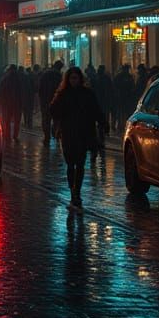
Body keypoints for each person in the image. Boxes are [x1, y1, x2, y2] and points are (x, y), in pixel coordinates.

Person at [48, 66, 105, 208]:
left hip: (83, 133)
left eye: (76, 78)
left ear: (80, 79)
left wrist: (103, 123)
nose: (74, 81)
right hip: (68, 134)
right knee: (70, 164)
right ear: (68, 79)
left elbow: (96, 109)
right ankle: (72, 189)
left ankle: (76, 192)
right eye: (72, 78)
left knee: (80, 163)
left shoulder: (88, 94)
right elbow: (53, 110)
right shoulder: (62, 94)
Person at [38, 60, 64, 141]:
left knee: (46, 119)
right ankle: (55, 133)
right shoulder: (59, 75)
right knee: (56, 119)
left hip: (45, 101)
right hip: (56, 101)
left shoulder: (45, 74)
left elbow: (40, 87)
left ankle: (47, 136)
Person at [0, 64, 22, 142]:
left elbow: (1, 91)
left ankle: (7, 135)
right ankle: (15, 136)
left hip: (7, 103)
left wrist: (1, 100)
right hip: (17, 103)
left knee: (7, 120)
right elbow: (23, 91)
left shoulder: (5, 78)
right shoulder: (20, 78)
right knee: (17, 120)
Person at [113, 63, 137, 133]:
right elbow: (115, 86)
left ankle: (124, 125)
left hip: (127, 98)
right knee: (121, 112)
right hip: (121, 97)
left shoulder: (129, 77)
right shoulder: (119, 77)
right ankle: (120, 126)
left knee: (125, 112)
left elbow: (132, 86)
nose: (126, 70)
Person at [94, 64, 114, 139]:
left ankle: (103, 130)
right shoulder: (105, 78)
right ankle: (104, 130)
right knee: (104, 116)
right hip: (103, 101)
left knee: (102, 116)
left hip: (102, 101)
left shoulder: (98, 78)